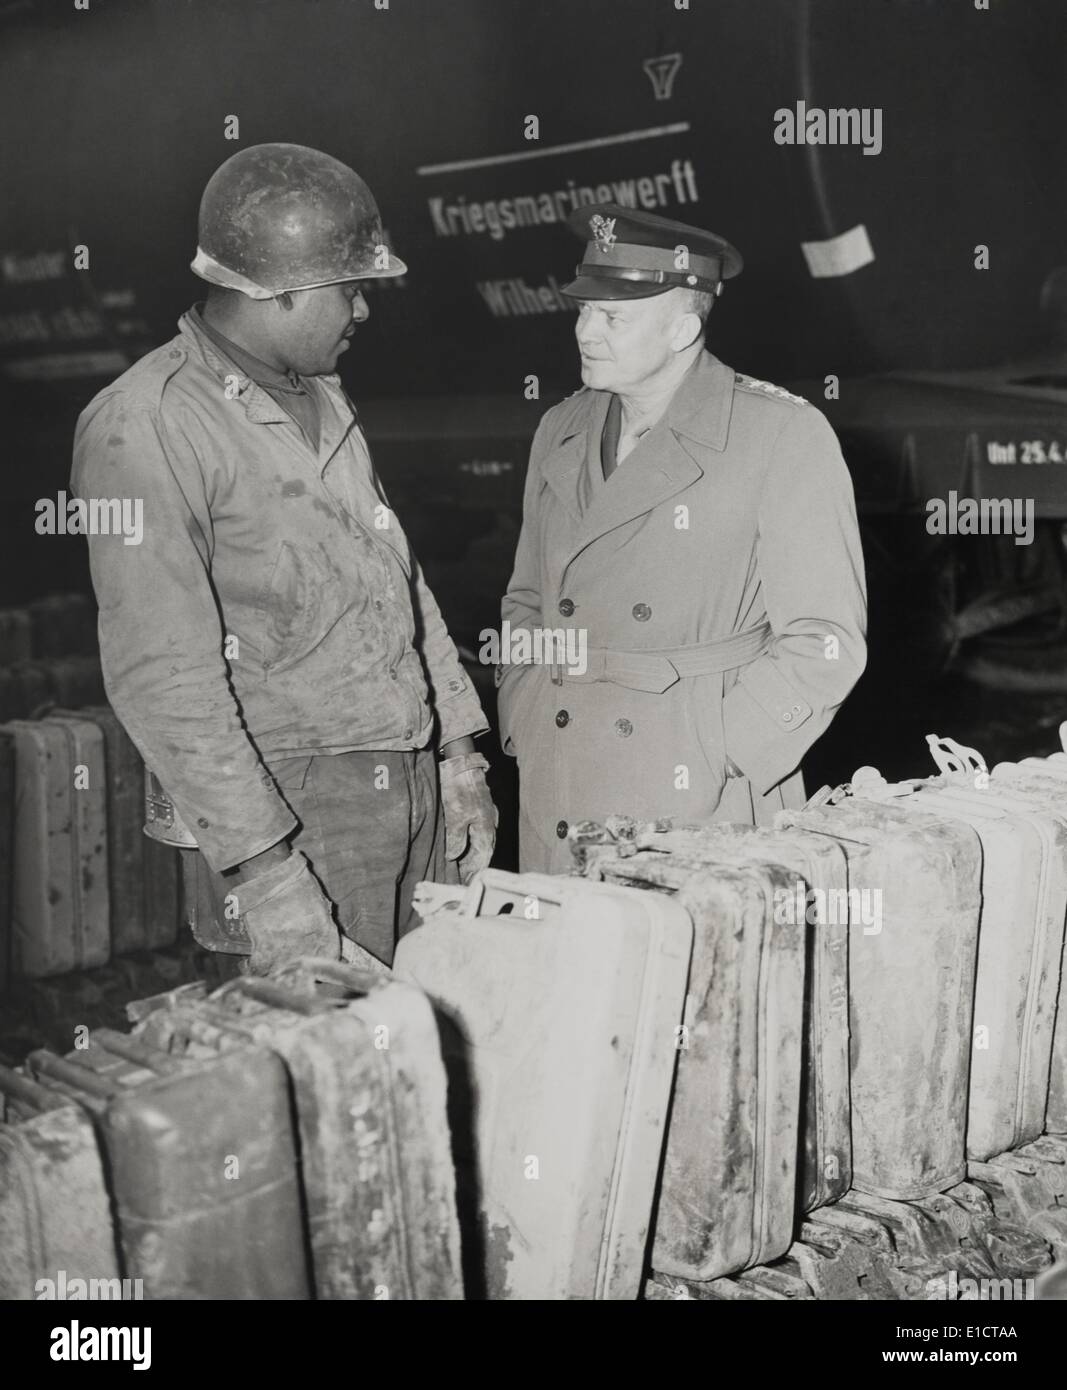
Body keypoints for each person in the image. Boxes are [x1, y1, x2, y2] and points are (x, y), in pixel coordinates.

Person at [72, 142, 495, 971]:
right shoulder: (146, 422)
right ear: (282, 291)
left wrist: (457, 754)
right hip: (292, 805)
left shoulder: (319, 394)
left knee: (423, 1036)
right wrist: (266, 875)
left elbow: (398, 580)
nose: (363, 310)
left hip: (400, 780)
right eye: (351, 289)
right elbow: (162, 677)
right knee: (323, 1072)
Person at [498, 203, 867, 874]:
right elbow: (526, 599)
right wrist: (523, 709)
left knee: (688, 973)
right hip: (560, 773)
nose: (585, 331)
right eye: (582, 310)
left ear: (681, 330)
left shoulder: (779, 434)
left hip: (698, 799)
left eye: (612, 317)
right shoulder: (560, 427)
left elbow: (825, 643)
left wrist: (719, 749)